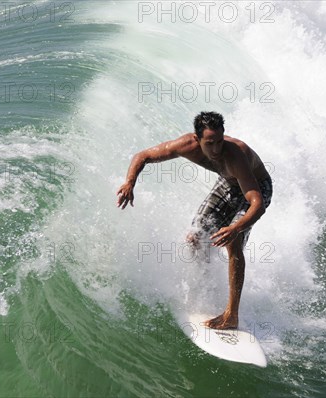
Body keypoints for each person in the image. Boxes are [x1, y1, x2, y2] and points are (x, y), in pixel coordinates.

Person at [116, 111, 272, 330]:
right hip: (228, 183)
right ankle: (205, 288)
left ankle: (231, 314)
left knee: (233, 242)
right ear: (197, 140)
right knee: (196, 238)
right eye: (210, 143)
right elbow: (143, 156)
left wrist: (236, 227)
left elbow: (257, 204)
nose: (216, 149)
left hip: (256, 187)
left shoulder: (236, 155)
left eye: (220, 141)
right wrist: (129, 183)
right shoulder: (185, 146)